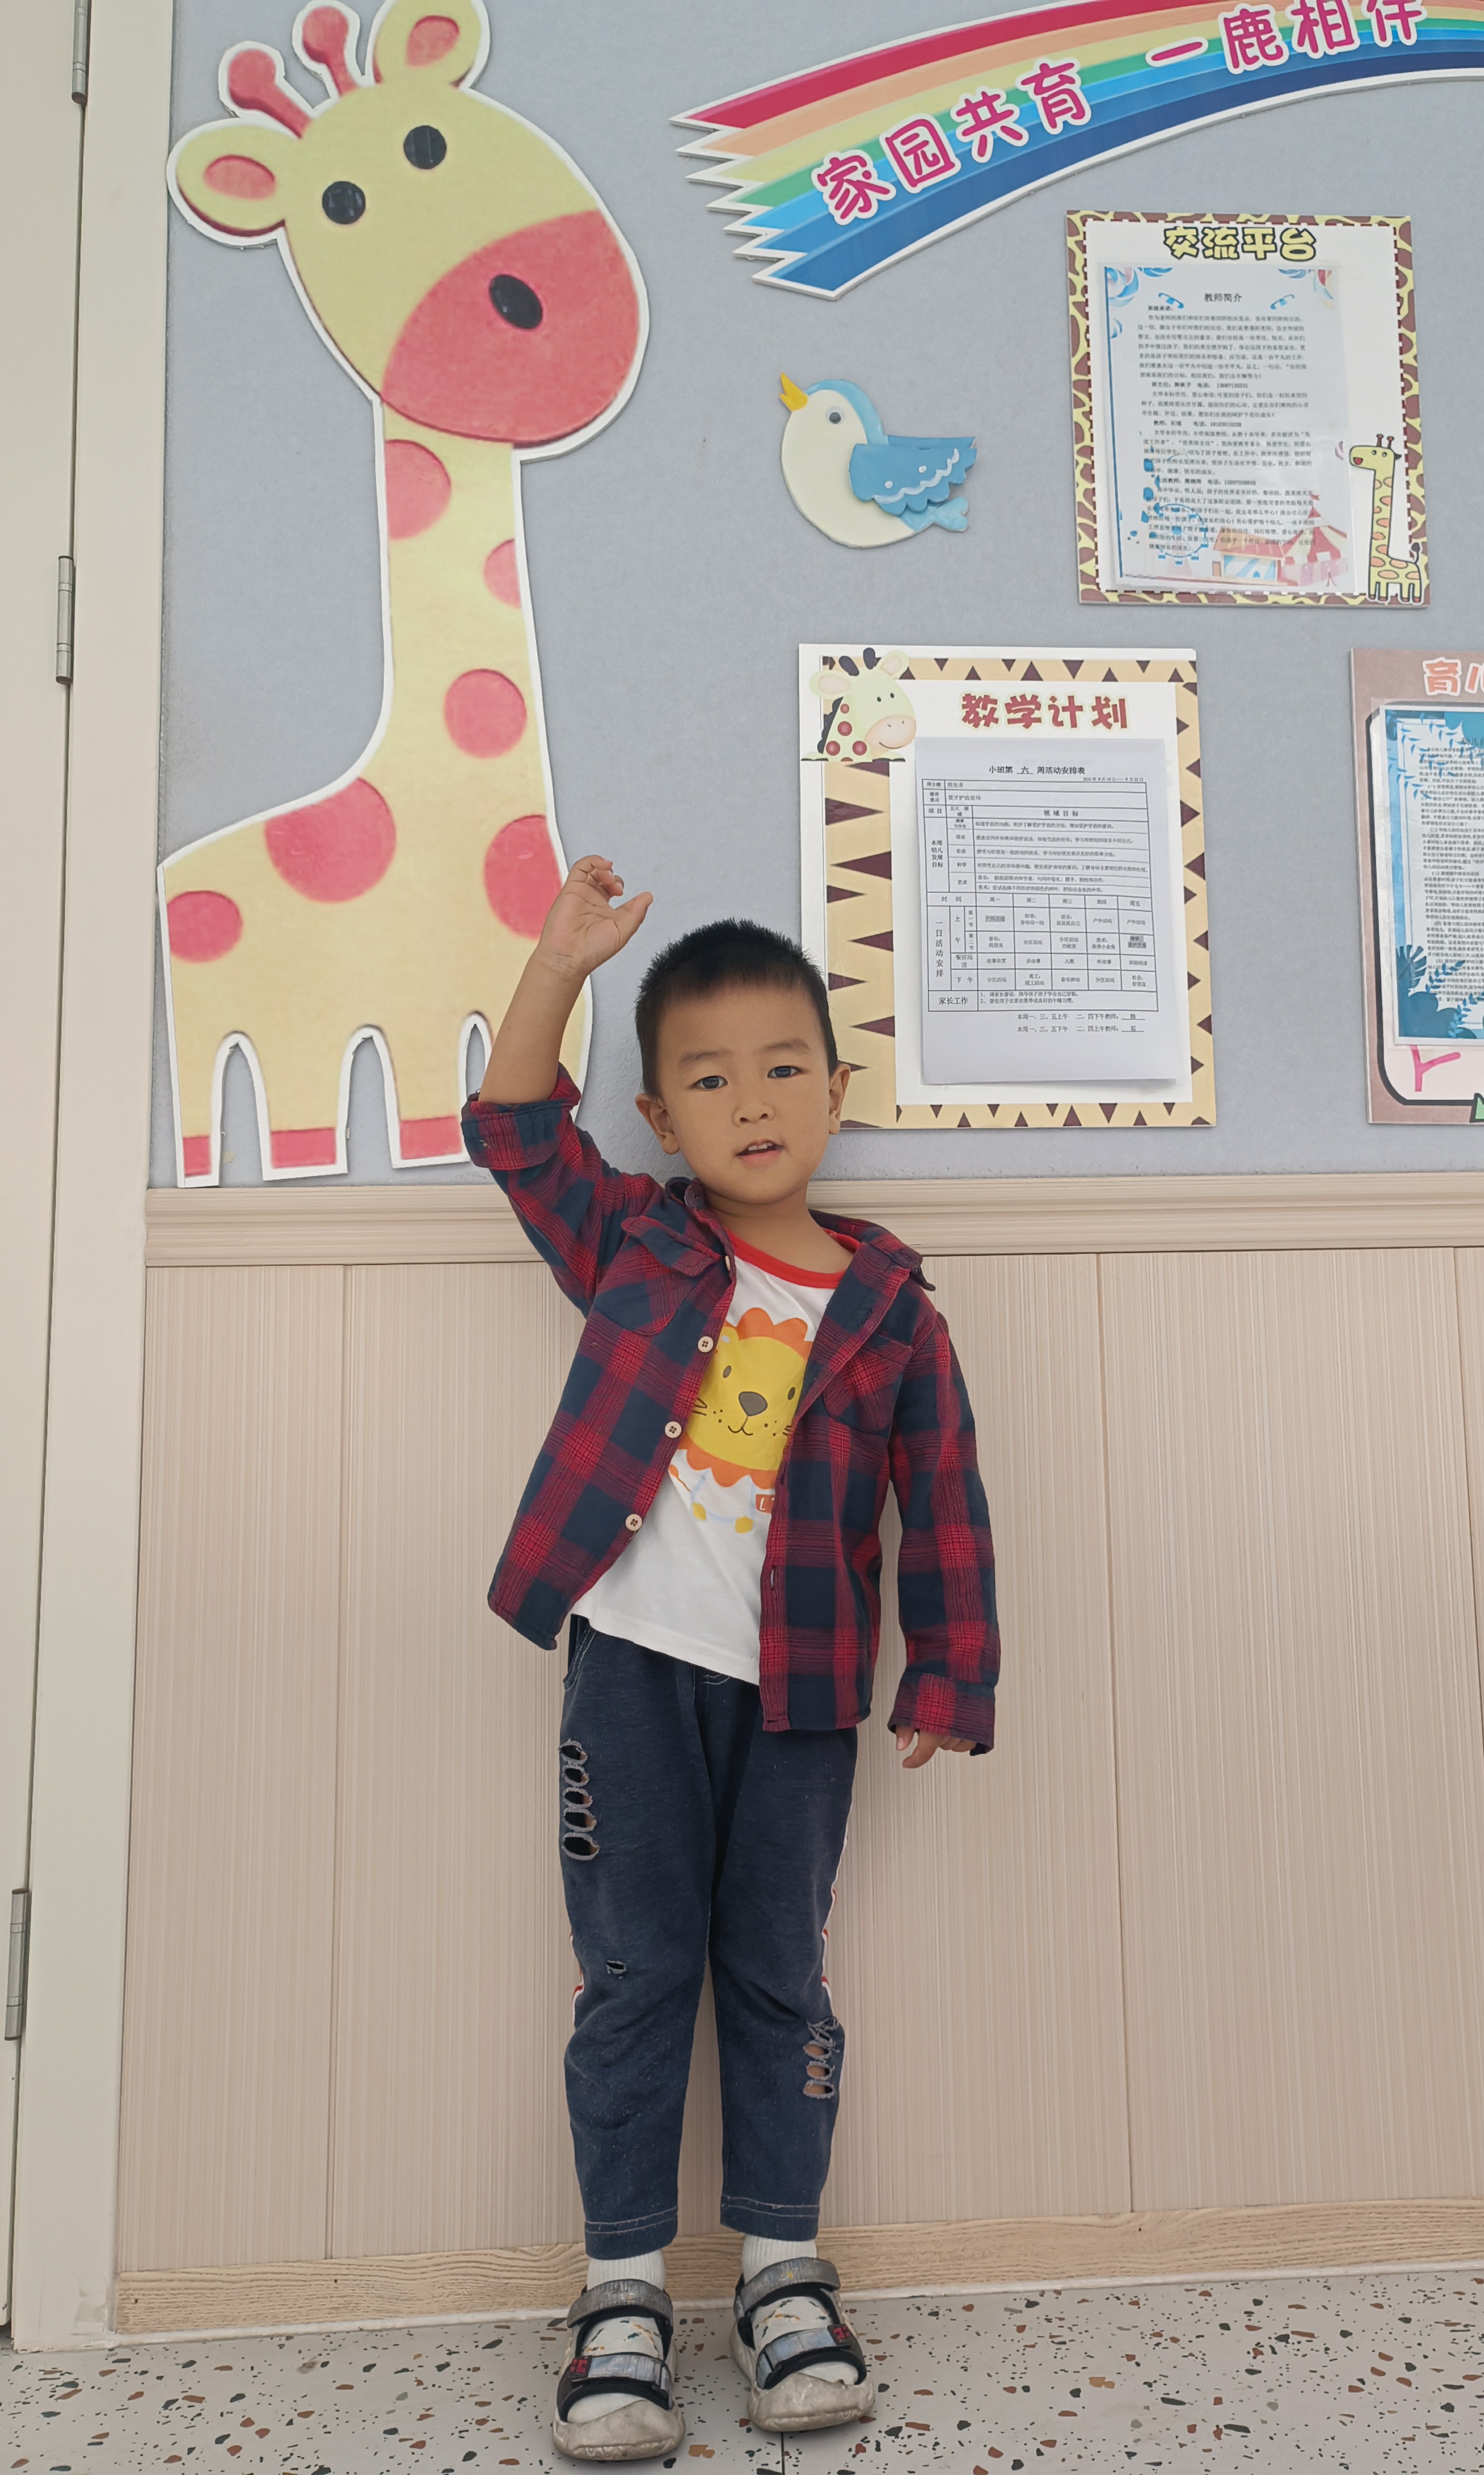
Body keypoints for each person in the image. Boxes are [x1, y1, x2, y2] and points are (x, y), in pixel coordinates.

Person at [463, 856, 999, 2464]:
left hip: (806, 1694)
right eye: (707, 1078)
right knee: (635, 1978)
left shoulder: (893, 1309)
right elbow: (514, 1131)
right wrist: (558, 967)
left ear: (835, 1090)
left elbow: (944, 1503)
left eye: (781, 1068)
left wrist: (949, 1676)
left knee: (779, 1975)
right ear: (658, 1116)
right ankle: (621, 2296)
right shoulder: (636, 1243)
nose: (750, 1102)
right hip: (629, 1674)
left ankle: (783, 2275)